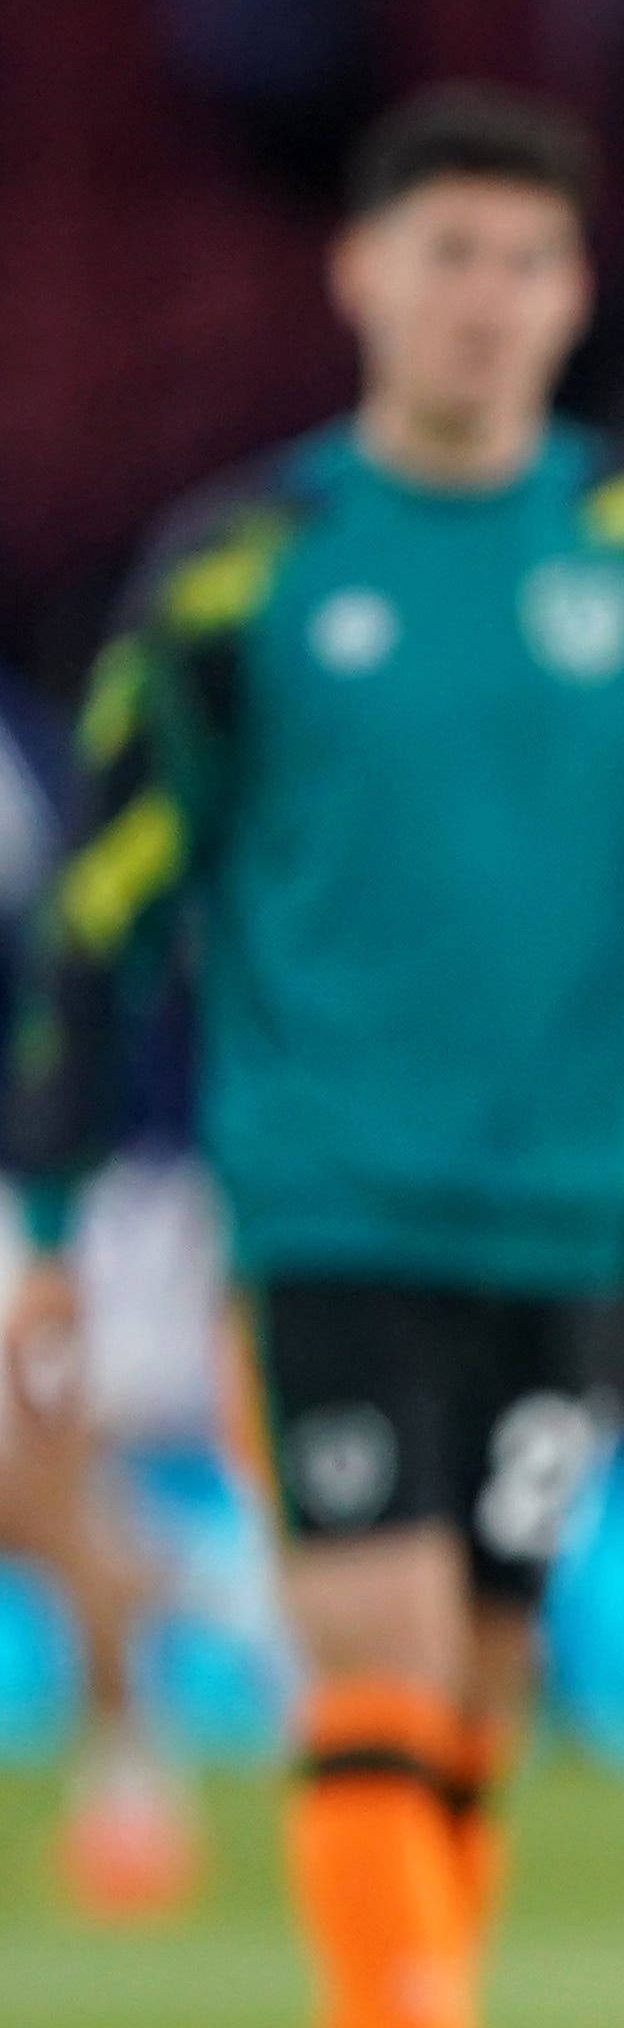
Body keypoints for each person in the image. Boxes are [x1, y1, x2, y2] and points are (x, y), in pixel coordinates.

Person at [4, 84, 624, 2028]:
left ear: (576, 294)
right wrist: (41, 1198)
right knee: (376, 1666)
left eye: (523, 261)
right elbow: (103, 910)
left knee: (472, 1699)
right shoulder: (238, 570)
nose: (482, 299)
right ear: (359, 275)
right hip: (328, 1208)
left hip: (572, 1217)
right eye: (444, 254)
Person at [0, 665, 199, 1920]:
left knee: (39, 1475)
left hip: (74, 1179)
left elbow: (76, 966)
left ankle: (129, 1776)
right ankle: (209, 1600)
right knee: (47, 1496)